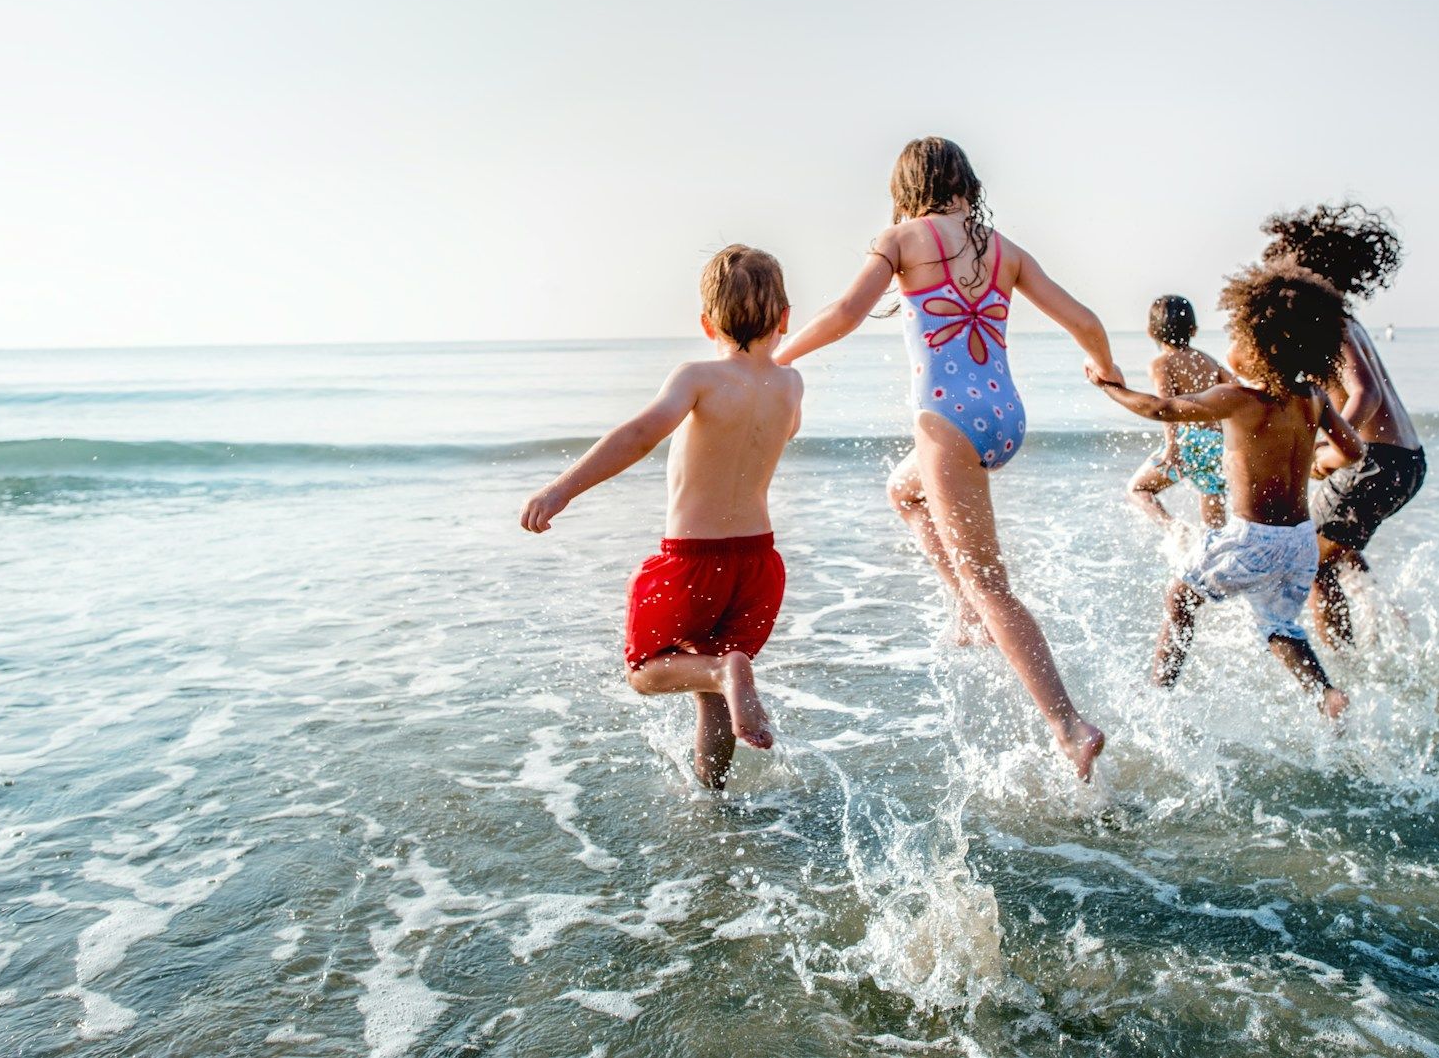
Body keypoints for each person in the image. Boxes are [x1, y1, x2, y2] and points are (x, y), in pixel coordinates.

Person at [774, 137, 1110, 781]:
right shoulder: (1002, 247)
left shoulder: (901, 238)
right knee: (905, 493)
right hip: (1004, 416)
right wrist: (1105, 367)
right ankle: (964, 609)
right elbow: (1087, 320)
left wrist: (779, 358)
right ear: (966, 181)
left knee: (993, 587)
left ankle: (1068, 725)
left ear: (906, 186)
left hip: (946, 422)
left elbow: (845, 313)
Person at [520, 245, 803, 790]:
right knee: (712, 693)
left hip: (692, 561)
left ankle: (726, 674)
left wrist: (561, 490)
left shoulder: (697, 376)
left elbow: (638, 434)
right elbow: (782, 432)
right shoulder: (791, 385)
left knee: (647, 673)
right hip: (758, 563)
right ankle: (713, 798)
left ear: (706, 323)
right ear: (785, 319)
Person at [1090, 262, 1366, 721]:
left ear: (1259, 346)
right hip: (1299, 542)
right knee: (1278, 626)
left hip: (1252, 538)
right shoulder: (1313, 396)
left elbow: (1160, 409)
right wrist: (1315, 461)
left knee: (1181, 598)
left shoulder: (1239, 400)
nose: (1230, 346)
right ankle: (1326, 695)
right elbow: (1353, 451)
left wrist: (1110, 388)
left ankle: (1156, 698)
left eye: (1237, 337)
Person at [1259, 202, 1426, 647]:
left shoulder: (1331, 323)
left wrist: (1333, 450)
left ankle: (1342, 663)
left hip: (1375, 462)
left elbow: (1365, 393)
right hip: (1405, 461)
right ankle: (1392, 632)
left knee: (1310, 563)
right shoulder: (1345, 320)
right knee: (1340, 551)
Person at [1125, 295, 1233, 529]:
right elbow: (1239, 390)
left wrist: (1172, 447)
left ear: (1150, 332)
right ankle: (1215, 554)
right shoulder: (1209, 361)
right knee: (1214, 522)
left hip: (1187, 441)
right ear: (1193, 330)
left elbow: (1167, 407)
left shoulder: (1161, 363)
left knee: (1138, 489)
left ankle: (1175, 529)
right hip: (1216, 443)